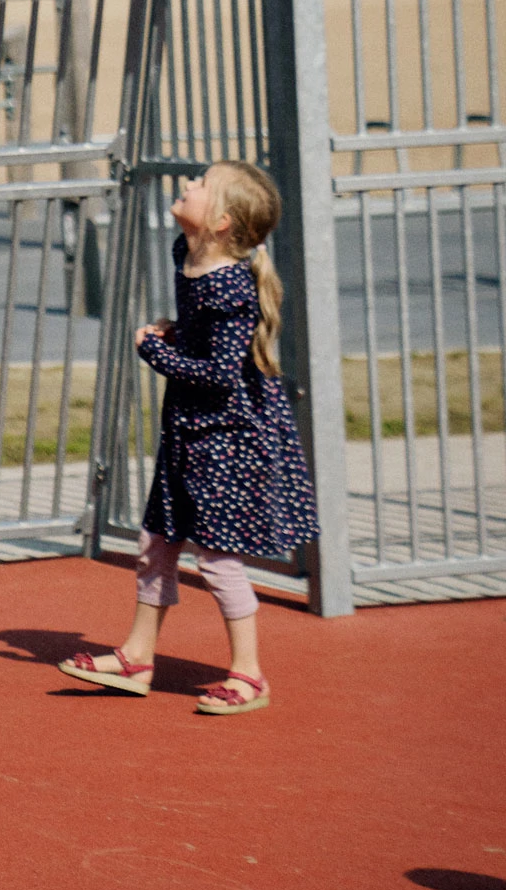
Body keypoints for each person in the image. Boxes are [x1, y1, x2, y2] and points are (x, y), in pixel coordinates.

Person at [60, 160, 318, 714]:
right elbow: (205, 343)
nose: (187, 186)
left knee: (218, 560)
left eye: (200, 186)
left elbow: (221, 374)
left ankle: (249, 675)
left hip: (225, 438)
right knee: (156, 543)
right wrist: (180, 333)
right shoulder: (190, 257)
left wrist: (156, 350)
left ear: (222, 221)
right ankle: (137, 656)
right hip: (189, 433)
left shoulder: (229, 287)